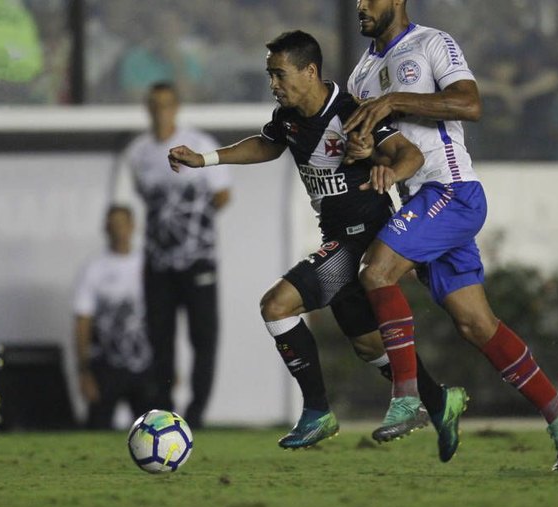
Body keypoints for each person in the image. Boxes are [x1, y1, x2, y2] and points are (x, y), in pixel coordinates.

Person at [168, 30, 461, 451]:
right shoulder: (288, 118)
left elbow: (410, 155)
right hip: (337, 236)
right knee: (367, 345)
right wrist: (206, 160)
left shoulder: (350, 112)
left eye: (280, 74)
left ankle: (317, 411)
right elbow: (268, 145)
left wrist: (388, 173)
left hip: (361, 240)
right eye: (270, 74)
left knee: (276, 305)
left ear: (310, 71)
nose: (273, 83)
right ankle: (439, 401)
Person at [342, 0, 558, 471]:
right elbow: (385, 148)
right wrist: (363, 151)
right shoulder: (360, 77)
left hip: (451, 191)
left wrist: (395, 100)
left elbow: (470, 103)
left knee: (376, 273)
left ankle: (408, 399)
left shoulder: (433, 43)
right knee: (476, 324)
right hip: (421, 203)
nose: (360, 6)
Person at [112, 82, 232, 428]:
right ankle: (163, 409)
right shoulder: (138, 153)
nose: (159, 111)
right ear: (146, 108)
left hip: (199, 260)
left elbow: (223, 194)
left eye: (165, 104)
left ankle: (196, 413)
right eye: (153, 105)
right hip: (158, 263)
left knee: (203, 338)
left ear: (176, 107)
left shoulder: (200, 144)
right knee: (160, 339)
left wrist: (192, 221)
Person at [73, 205, 155, 429]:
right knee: (97, 428)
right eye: (113, 224)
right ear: (106, 228)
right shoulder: (93, 269)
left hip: (146, 363)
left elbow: (164, 318)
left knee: (156, 427)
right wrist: (83, 371)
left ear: (133, 226)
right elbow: (82, 321)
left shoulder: (150, 265)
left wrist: (170, 362)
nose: (119, 230)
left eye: (123, 223)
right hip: (106, 366)